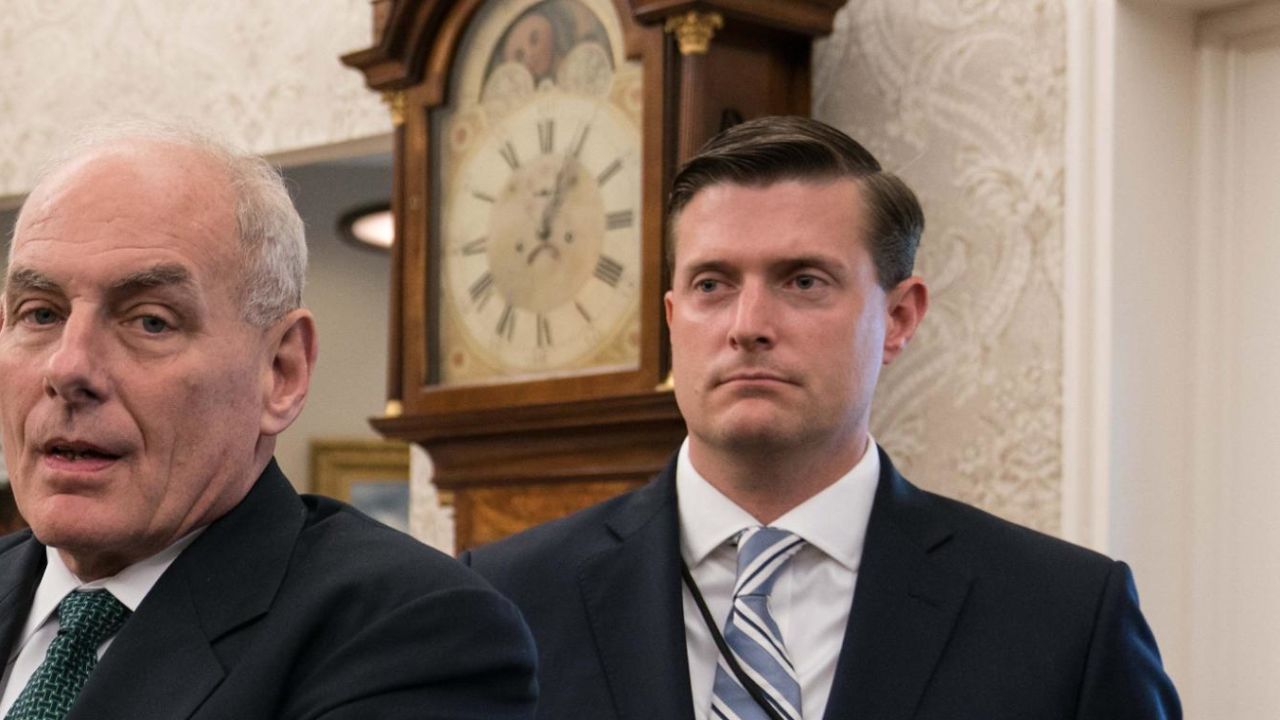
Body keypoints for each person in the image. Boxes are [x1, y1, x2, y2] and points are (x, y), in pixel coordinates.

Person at [462, 116, 1180, 719]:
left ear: (899, 318)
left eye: (803, 281)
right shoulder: (502, 600)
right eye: (712, 284)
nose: (748, 325)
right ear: (674, 320)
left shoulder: (1064, 614)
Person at [0, 124, 537, 720]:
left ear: (281, 372)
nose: (69, 367)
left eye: (150, 321)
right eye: (40, 313)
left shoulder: (413, 634)